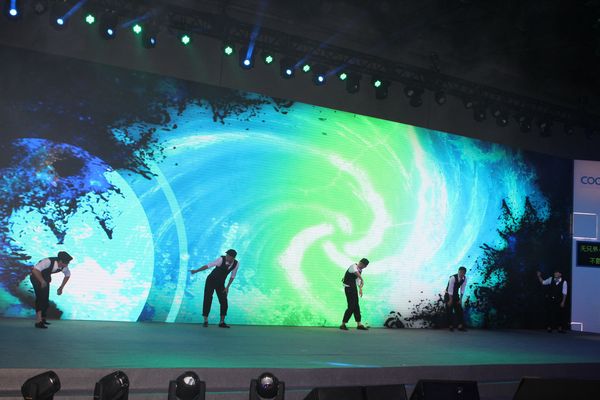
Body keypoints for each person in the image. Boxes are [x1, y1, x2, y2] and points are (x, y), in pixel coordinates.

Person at [191, 249, 239, 328]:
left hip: (221, 283)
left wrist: (227, 287)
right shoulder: (221, 259)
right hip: (211, 281)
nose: (226, 256)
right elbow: (208, 265)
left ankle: (222, 322)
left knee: (224, 301)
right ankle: (205, 320)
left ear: (232, 257)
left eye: (228, 256)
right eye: (226, 255)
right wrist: (196, 271)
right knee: (208, 298)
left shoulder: (236, 264)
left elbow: (233, 276)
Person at [30, 251, 73, 329]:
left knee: (45, 299)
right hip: (36, 277)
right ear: (60, 261)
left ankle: (43, 319)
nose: (67, 265)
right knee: (40, 298)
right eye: (66, 263)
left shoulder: (64, 266)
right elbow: (35, 270)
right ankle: (38, 321)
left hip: (45, 278)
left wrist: (61, 287)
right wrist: (42, 281)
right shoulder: (48, 261)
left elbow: (67, 275)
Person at [340, 258, 369, 331]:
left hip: (353, 288)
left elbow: (357, 280)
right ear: (360, 262)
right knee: (351, 306)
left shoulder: (360, 270)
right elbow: (356, 273)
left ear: (365, 266)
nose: (362, 266)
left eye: (364, 266)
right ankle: (343, 324)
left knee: (356, 306)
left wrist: (360, 289)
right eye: (361, 264)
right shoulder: (353, 266)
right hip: (348, 288)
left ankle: (359, 324)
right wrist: (362, 279)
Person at [445, 266, 467, 332]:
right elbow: (450, 289)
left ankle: (460, 326)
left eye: (463, 273)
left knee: (459, 310)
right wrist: (450, 300)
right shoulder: (453, 278)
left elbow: (462, 289)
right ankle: (450, 326)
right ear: (458, 271)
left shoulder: (464, 279)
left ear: (465, 273)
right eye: (460, 272)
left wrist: (460, 299)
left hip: (456, 295)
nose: (461, 274)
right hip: (448, 295)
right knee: (449, 310)